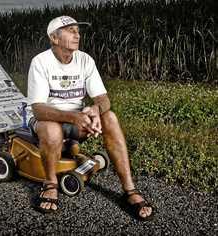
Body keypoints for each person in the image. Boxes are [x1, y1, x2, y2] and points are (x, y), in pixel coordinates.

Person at [27, 15, 153, 220]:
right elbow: (39, 110)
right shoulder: (41, 62)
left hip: (77, 120)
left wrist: (95, 109)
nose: (77, 35)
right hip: (46, 121)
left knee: (109, 117)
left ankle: (129, 190)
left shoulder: (85, 60)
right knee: (52, 128)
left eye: (78, 30)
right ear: (54, 38)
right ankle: (50, 184)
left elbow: (104, 99)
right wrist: (73, 116)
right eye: (70, 30)